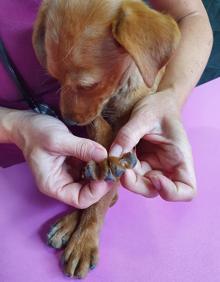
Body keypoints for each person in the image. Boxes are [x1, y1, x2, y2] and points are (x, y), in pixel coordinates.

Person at [0, 0, 213, 208]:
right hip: (10, 156)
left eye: (87, 84)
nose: (69, 112)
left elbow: (190, 15)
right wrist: (15, 126)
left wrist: (170, 97)